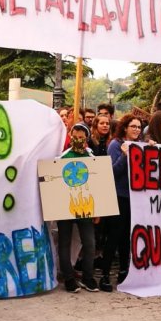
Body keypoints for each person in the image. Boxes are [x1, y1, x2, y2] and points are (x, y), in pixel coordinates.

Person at [99, 114, 142, 292]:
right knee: (114, 237)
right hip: (118, 196)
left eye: (139, 127)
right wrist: (124, 156)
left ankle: (124, 272)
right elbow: (112, 171)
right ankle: (105, 275)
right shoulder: (116, 145)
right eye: (133, 126)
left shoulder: (139, 145)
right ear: (125, 128)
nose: (137, 130)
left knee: (126, 237)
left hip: (133, 197)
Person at [55, 123, 99, 293]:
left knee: (89, 243)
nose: (78, 140)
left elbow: (97, 183)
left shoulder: (91, 157)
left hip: (85, 206)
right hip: (65, 206)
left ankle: (88, 277)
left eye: (81, 137)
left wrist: (98, 211)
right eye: (75, 137)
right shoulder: (62, 157)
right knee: (64, 242)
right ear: (70, 136)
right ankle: (68, 278)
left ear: (86, 138)